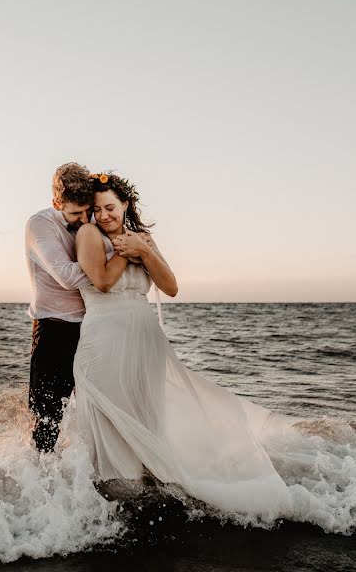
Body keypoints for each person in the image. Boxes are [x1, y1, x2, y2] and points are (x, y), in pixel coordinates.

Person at [68, 172, 294, 520]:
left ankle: (149, 502)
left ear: (125, 204)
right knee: (115, 424)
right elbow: (100, 282)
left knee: (150, 416)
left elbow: (170, 286)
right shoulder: (89, 235)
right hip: (105, 343)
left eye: (110, 207)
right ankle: (108, 512)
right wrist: (128, 255)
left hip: (146, 343)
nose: (104, 215)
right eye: (97, 209)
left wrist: (143, 249)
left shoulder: (142, 239)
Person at [24, 162, 130, 452]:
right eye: (75, 213)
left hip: (94, 328)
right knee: (47, 421)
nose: (85, 220)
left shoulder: (89, 223)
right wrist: (112, 267)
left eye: (88, 211)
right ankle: (40, 488)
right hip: (54, 330)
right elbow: (69, 277)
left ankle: (85, 483)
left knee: (95, 415)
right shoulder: (40, 224)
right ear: (56, 203)